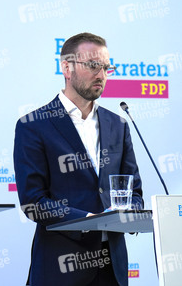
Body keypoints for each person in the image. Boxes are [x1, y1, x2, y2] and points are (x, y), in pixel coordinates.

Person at [14, 32, 143, 286]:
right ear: (67, 67)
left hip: (112, 270)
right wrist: (89, 221)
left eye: (107, 68)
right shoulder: (33, 126)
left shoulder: (118, 124)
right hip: (60, 267)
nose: (101, 75)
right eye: (94, 66)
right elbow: (33, 202)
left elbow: (134, 192)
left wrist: (132, 213)